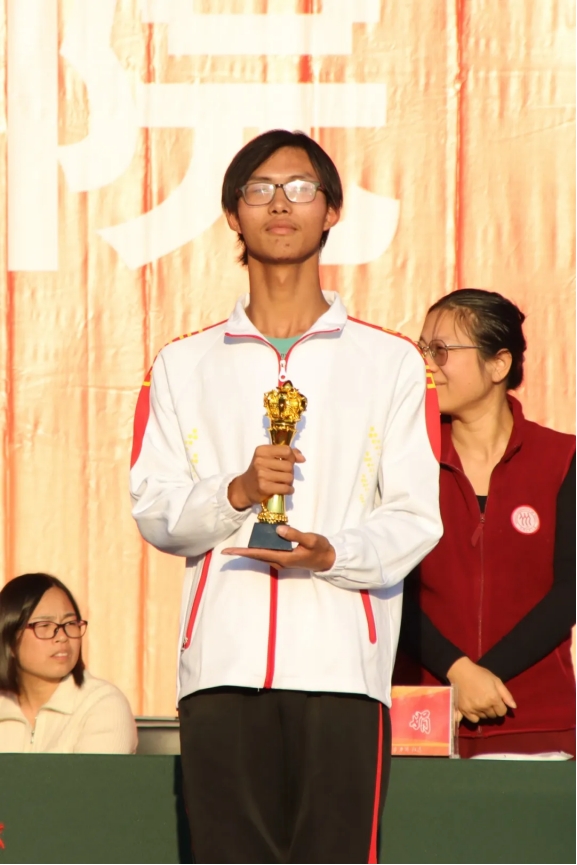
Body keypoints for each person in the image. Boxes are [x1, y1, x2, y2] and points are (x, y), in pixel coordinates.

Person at [130, 128, 442, 864]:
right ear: (231, 215)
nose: (280, 204)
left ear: (331, 211)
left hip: (342, 668)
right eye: (259, 189)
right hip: (221, 666)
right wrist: (235, 492)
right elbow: (154, 508)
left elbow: (414, 516)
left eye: (300, 189)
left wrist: (334, 553)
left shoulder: (391, 361)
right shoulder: (181, 363)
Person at [395, 288, 576, 758]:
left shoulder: (562, 458)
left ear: (499, 365)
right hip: (421, 718)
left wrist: (483, 678)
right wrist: (457, 671)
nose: (426, 364)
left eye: (441, 350)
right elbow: (388, 583)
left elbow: (569, 592)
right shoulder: (404, 460)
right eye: (421, 348)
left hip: (534, 720)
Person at [0, 573, 137, 753]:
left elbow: (95, 773)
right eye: (44, 625)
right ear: (9, 640)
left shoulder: (104, 705)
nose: (62, 637)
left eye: (70, 623)